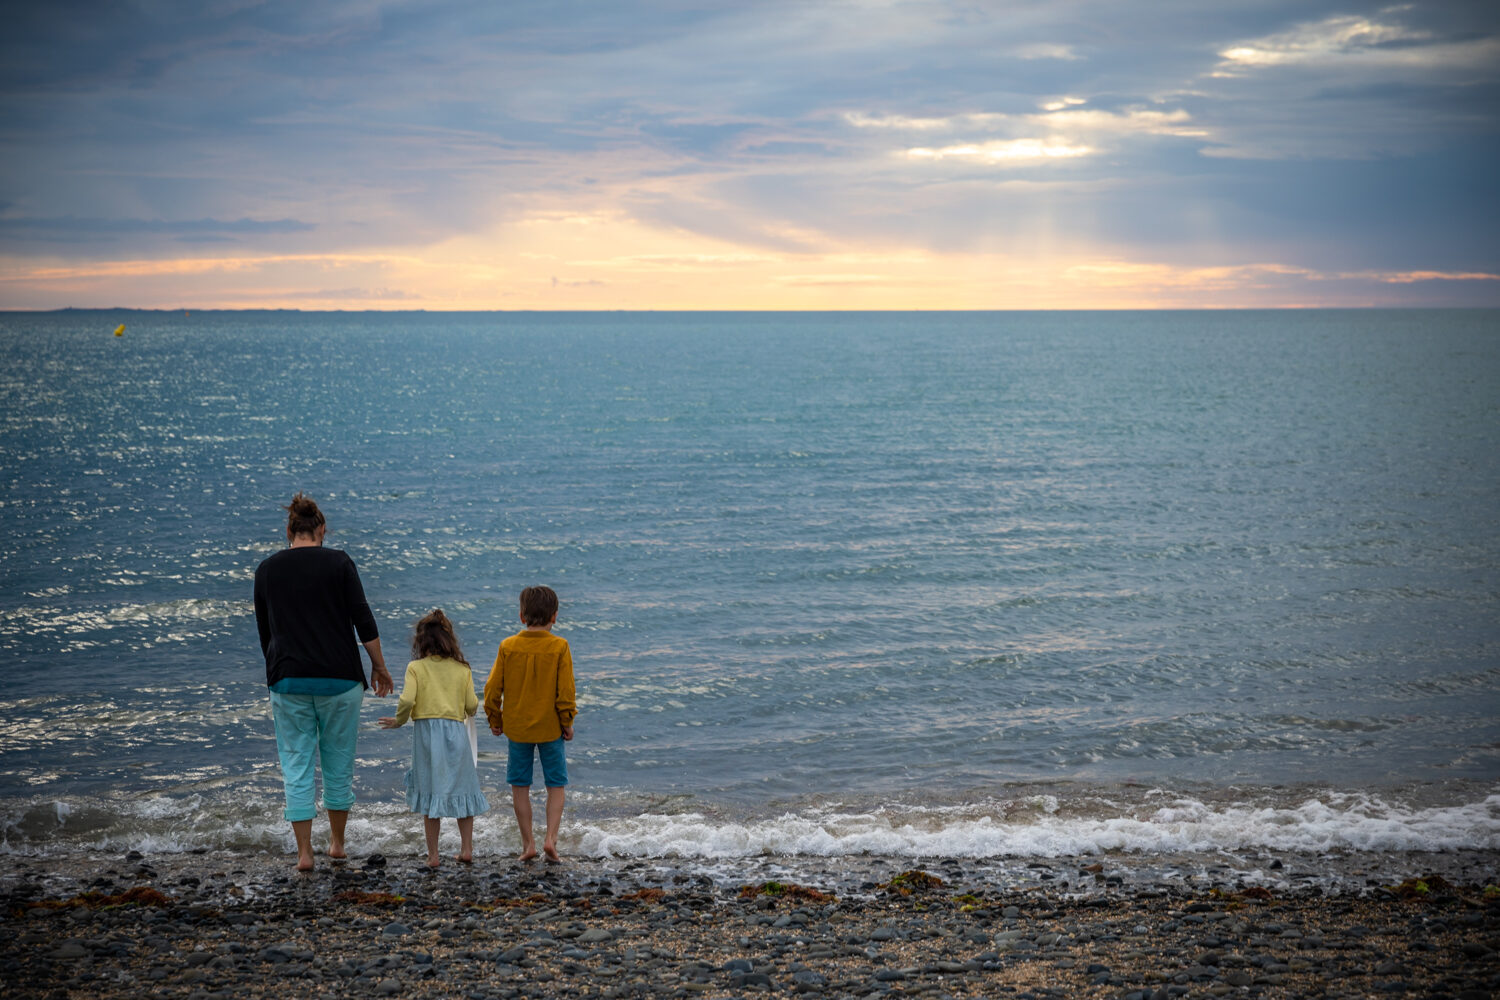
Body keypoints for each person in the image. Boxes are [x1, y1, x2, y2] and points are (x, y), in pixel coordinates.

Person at [253, 492, 394, 871]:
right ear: (322, 530)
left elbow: (265, 633)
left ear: (289, 531)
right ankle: (337, 844)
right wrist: (378, 667)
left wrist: (276, 674)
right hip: (341, 680)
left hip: (288, 680)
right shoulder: (339, 563)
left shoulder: (267, 569)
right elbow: (363, 621)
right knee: (338, 763)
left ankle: (303, 854)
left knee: (296, 763)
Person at [378, 609, 490, 868]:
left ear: (421, 641)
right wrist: (466, 709)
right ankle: (467, 849)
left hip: (427, 735)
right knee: (464, 790)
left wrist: (400, 720)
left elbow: (407, 699)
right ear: (449, 641)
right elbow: (472, 705)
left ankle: (433, 856)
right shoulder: (462, 669)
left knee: (430, 793)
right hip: (455, 732)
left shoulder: (415, 668)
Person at [483, 585, 576, 863]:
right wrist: (567, 722)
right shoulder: (560, 646)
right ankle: (551, 839)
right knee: (556, 785)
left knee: (520, 786)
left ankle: (528, 845)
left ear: (522, 616)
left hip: (518, 729)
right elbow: (565, 693)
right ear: (555, 617)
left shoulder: (508, 646)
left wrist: (494, 719)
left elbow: (491, 690)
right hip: (550, 729)